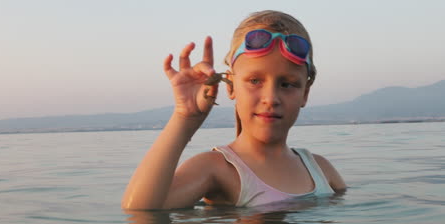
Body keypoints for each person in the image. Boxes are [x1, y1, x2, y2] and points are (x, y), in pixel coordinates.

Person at [122, 10, 346, 210]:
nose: (271, 98)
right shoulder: (217, 168)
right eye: (255, 80)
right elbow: (141, 210)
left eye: (287, 84)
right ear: (230, 85)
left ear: (305, 93)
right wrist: (184, 118)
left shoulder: (321, 170)